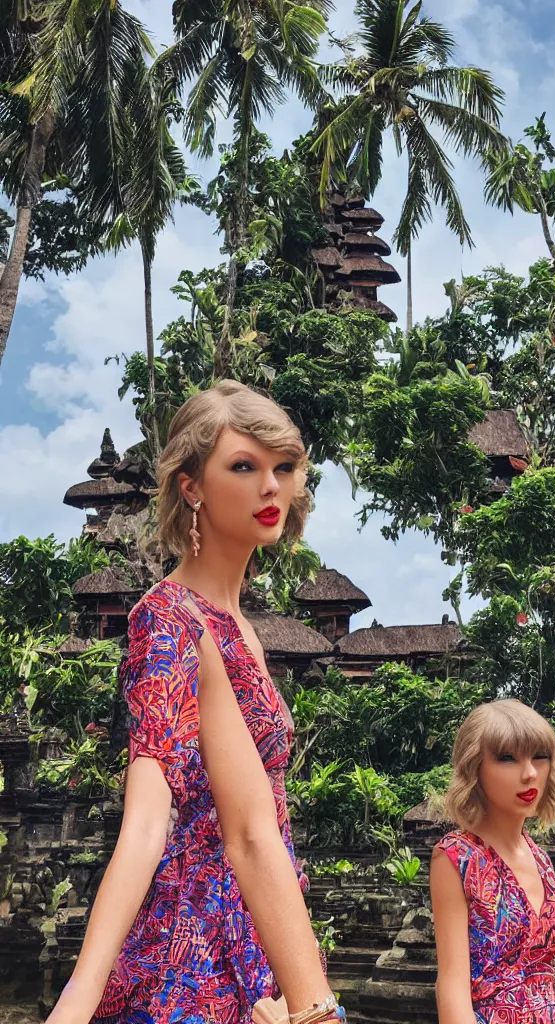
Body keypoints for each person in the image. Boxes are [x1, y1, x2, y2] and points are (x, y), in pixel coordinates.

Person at [45, 381, 343, 1024]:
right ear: (192, 487)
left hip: (259, 941)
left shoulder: (237, 625)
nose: (271, 487)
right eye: (244, 466)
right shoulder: (169, 617)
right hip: (194, 953)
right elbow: (151, 819)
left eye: (282, 468)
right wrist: (78, 996)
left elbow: (266, 824)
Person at [431, 700, 555, 1024]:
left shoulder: (540, 859)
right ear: (474, 767)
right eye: (507, 758)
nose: (529, 773)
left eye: (540, 756)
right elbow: (452, 987)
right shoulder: (456, 858)